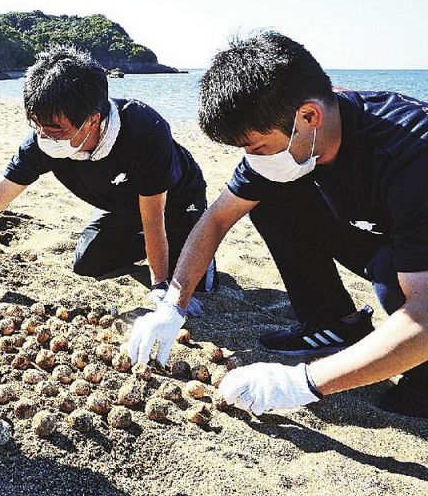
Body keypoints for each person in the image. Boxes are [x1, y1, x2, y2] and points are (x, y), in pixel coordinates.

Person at [126, 31, 428, 419]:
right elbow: (217, 218)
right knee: (270, 200)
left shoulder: (411, 153)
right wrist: (173, 305)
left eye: (257, 147)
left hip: (411, 257)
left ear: (309, 116)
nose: (253, 158)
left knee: (392, 273)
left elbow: (423, 313)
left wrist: (304, 383)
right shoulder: (292, 130)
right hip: (381, 230)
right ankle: (333, 321)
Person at [0, 45, 216, 307]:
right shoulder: (43, 141)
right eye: (38, 126)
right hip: (119, 205)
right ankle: (142, 244)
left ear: (93, 119)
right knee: (88, 264)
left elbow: (154, 214)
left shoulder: (144, 128)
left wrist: (159, 288)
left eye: (57, 128)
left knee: (190, 283)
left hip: (172, 200)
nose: (47, 136)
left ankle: (194, 247)